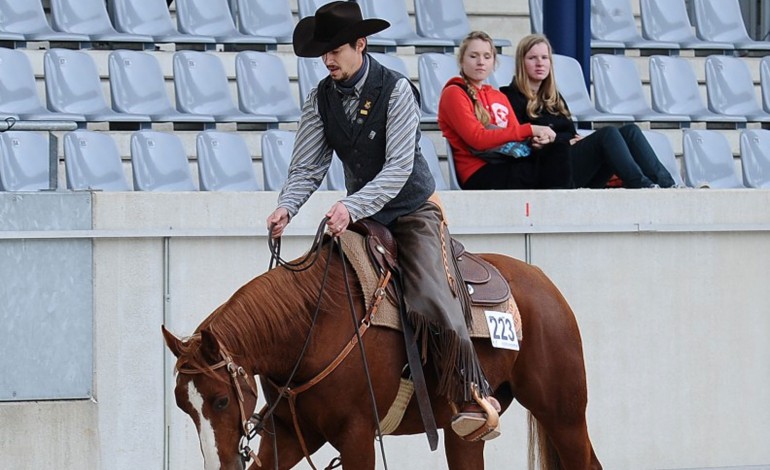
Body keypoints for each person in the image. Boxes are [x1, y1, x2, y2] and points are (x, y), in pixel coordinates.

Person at [265, 2, 500, 440]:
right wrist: (287, 206)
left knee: (431, 294)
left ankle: (471, 391)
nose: (328, 59)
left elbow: (396, 169)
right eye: (323, 53)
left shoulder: (396, 90)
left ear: (361, 43)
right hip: (363, 214)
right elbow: (307, 167)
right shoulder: (320, 98)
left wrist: (351, 206)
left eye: (335, 49)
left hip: (411, 211)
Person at [501, 34, 676, 189]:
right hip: (551, 171)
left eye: (544, 58)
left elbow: (570, 134)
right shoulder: (509, 96)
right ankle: (642, 185)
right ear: (521, 62)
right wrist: (561, 141)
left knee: (630, 131)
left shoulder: (554, 97)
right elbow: (520, 139)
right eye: (532, 58)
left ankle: (667, 184)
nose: (540, 63)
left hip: (573, 165)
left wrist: (564, 139)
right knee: (607, 134)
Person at [438, 31, 564, 190]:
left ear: (494, 62)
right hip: (478, 172)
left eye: (486, 56)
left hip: (508, 162)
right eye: (473, 56)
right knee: (552, 169)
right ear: (461, 60)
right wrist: (530, 129)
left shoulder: (499, 96)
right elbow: (477, 139)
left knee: (558, 150)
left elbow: (516, 138)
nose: (480, 62)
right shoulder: (454, 93)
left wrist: (536, 142)